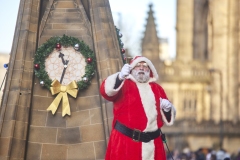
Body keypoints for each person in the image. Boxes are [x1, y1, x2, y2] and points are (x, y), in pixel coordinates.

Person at [100, 56, 176, 160]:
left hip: (154, 146)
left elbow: (167, 118)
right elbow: (106, 92)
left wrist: (168, 109)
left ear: (149, 70)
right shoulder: (124, 84)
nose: (141, 68)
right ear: (131, 69)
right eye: (137, 66)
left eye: (144, 66)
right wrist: (120, 77)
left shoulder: (157, 89)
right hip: (126, 144)